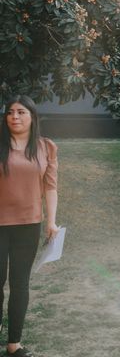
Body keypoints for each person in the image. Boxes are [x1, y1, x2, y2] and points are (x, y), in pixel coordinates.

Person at [0, 96, 59, 357]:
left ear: (32, 117)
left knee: (20, 284)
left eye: (21, 112)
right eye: (10, 112)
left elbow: (50, 186)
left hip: (29, 225)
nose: (14, 116)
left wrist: (51, 221)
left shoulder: (46, 147)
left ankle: (14, 345)